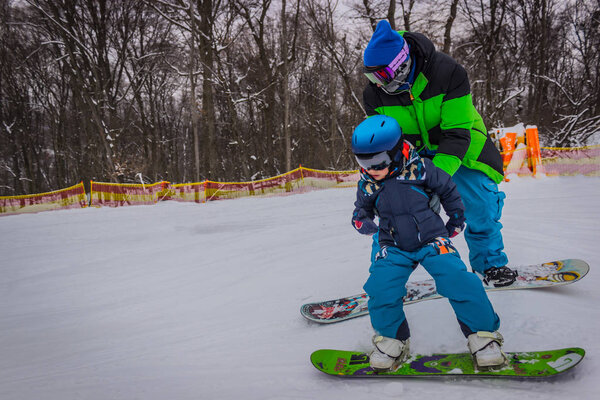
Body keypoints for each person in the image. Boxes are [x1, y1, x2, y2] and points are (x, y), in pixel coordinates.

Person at [361, 20, 517, 287]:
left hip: (461, 145)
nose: (377, 84)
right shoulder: (375, 95)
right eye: (370, 76)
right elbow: (387, 139)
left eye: (381, 76)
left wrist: (435, 185)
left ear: (401, 62)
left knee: (479, 201)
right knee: (393, 205)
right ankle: (385, 274)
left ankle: (490, 264)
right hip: (414, 154)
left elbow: (457, 134)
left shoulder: (449, 73)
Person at [351, 115, 506, 370]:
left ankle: (483, 337)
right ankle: (392, 340)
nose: (371, 169)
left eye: (377, 162)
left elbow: (448, 189)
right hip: (394, 244)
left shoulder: (422, 168)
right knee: (380, 289)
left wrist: (456, 217)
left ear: (397, 151)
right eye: (362, 162)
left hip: (432, 239)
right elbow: (361, 210)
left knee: (458, 280)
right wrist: (361, 221)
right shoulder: (368, 183)